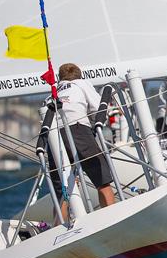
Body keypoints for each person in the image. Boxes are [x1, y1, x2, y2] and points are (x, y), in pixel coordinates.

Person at [48, 63, 116, 210]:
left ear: (60, 78)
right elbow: (99, 107)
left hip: (53, 136)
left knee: (63, 190)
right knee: (102, 179)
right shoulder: (81, 83)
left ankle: (58, 227)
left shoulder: (53, 92)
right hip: (78, 130)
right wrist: (94, 126)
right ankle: (111, 214)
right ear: (79, 75)